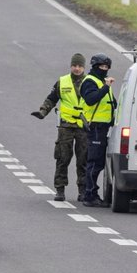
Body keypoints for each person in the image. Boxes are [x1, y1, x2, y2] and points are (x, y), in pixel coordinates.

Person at [31, 53, 89, 201]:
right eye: (74, 66)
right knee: (63, 157)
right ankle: (60, 189)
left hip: (84, 126)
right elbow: (52, 99)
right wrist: (43, 112)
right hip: (66, 126)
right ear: (71, 66)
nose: (77, 69)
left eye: (80, 66)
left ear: (84, 67)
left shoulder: (90, 82)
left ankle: (83, 190)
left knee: (83, 159)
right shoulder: (62, 82)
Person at [80, 53, 117, 207]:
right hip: (95, 126)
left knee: (100, 162)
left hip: (104, 127)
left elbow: (111, 104)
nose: (104, 69)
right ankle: (89, 195)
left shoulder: (102, 82)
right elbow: (91, 100)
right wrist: (105, 87)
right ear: (95, 67)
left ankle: (93, 192)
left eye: (106, 67)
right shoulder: (90, 82)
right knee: (94, 162)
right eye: (101, 67)